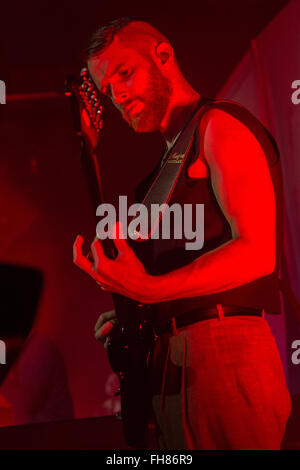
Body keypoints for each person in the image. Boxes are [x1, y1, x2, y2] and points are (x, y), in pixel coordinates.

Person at [73, 18, 291, 449]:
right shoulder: (160, 170)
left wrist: (153, 289)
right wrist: (138, 311)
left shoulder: (220, 126)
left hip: (224, 349)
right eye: (107, 88)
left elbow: (256, 252)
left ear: (163, 56)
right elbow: (177, 277)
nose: (117, 95)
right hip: (173, 359)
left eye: (124, 72)